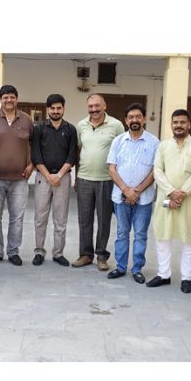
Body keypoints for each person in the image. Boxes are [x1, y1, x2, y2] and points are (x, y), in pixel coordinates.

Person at [150, 109, 191, 293]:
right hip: (165, 199)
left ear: (189, 124)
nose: (179, 125)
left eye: (183, 122)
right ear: (171, 125)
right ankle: (164, 274)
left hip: (189, 201)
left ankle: (186, 278)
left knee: (188, 239)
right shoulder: (163, 146)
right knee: (163, 238)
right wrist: (171, 192)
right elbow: (158, 171)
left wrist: (182, 193)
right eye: (175, 122)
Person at [0, 84, 34, 266]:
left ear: (17, 99)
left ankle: (13, 251)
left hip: (19, 179)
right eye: (5, 97)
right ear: (0, 99)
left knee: (17, 217)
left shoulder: (27, 120)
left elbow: (36, 146)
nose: (9, 100)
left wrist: (32, 164)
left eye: (12, 97)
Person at [106, 103, 159, 284]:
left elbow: (154, 171)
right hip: (120, 197)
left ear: (144, 119)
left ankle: (137, 268)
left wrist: (136, 191)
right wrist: (126, 190)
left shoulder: (154, 142)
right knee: (122, 233)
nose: (134, 120)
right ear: (126, 120)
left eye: (138, 117)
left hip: (143, 199)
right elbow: (112, 169)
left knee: (140, 234)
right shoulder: (118, 141)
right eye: (131, 117)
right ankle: (120, 267)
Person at [73, 93, 125, 271]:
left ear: (105, 106)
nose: (94, 109)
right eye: (91, 106)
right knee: (84, 219)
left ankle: (102, 256)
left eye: (97, 105)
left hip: (107, 180)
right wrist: (76, 177)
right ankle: (85, 255)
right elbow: (78, 151)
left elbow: (121, 152)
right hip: (84, 179)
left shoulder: (116, 125)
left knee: (104, 219)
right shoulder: (81, 125)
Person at [31, 94, 77, 266]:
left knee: (60, 218)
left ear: (63, 108)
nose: (56, 111)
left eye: (59, 108)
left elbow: (72, 156)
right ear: (47, 109)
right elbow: (36, 154)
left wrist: (58, 175)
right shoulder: (39, 128)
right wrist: (48, 175)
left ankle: (58, 253)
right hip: (43, 177)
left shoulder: (71, 129)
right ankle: (39, 251)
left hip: (63, 178)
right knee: (40, 217)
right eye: (52, 108)